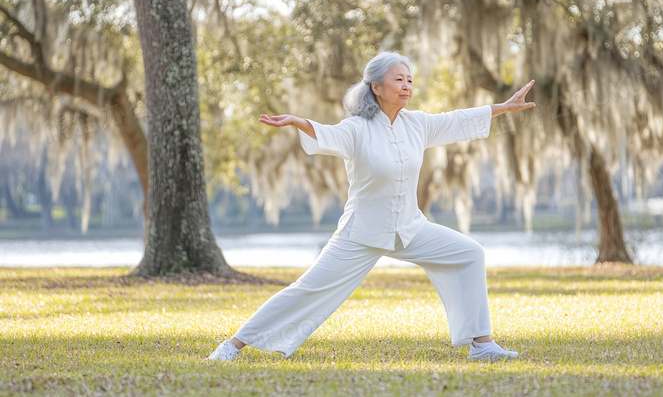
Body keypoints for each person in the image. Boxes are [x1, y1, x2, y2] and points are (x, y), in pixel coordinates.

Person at [208, 51, 535, 362]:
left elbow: (455, 120)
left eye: (409, 80)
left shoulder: (417, 125)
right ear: (376, 88)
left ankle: (481, 345)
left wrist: (502, 107)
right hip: (361, 233)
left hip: (410, 229)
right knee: (308, 289)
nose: (406, 86)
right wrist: (297, 121)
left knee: (470, 253)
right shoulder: (357, 128)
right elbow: (327, 135)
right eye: (398, 80)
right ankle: (233, 344)